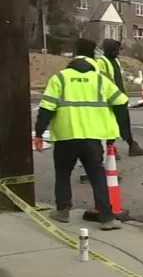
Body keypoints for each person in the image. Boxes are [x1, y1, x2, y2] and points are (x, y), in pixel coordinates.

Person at [33, 38, 129, 230]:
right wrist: (121, 131)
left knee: (63, 174)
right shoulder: (100, 79)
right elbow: (121, 102)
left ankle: (62, 211)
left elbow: (47, 108)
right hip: (92, 138)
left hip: (65, 137)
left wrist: (39, 133)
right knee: (97, 176)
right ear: (93, 55)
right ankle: (107, 217)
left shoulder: (59, 78)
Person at [97, 39, 143, 157]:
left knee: (124, 123)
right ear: (108, 49)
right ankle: (111, 149)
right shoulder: (101, 62)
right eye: (115, 50)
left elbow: (120, 77)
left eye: (118, 49)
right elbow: (102, 82)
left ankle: (131, 146)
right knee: (110, 125)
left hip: (120, 98)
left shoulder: (116, 61)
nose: (117, 52)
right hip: (110, 100)